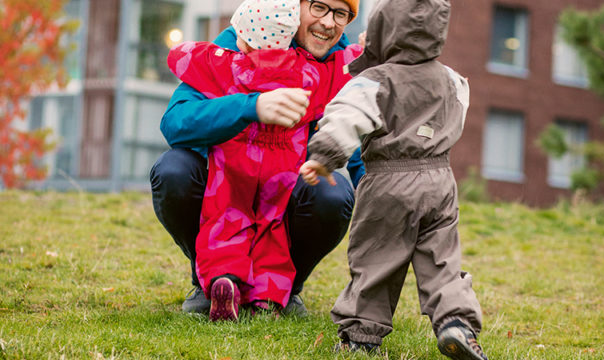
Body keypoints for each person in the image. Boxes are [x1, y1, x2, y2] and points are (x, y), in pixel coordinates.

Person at [299, 0, 488, 359]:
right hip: (440, 179)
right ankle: (456, 324)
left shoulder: (376, 79)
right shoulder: (451, 78)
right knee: (442, 260)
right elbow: (460, 108)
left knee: (376, 258)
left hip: (388, 179)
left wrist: (324, 156)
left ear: (387, 32)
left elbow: (347, 115)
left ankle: (361, 334)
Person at [150, 0, 362, 316]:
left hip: (288, 190)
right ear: (295, 7)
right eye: (318, 7)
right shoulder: (242, 39)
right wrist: (251, 106)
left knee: (333, 193)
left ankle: (286, 289)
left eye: (341, 14)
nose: (328, 23)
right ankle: (209, 279)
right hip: (224, 182)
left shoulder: (338, 69)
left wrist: (383, 197)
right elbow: (176, 121)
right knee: (173, 170)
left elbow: (359, 144)